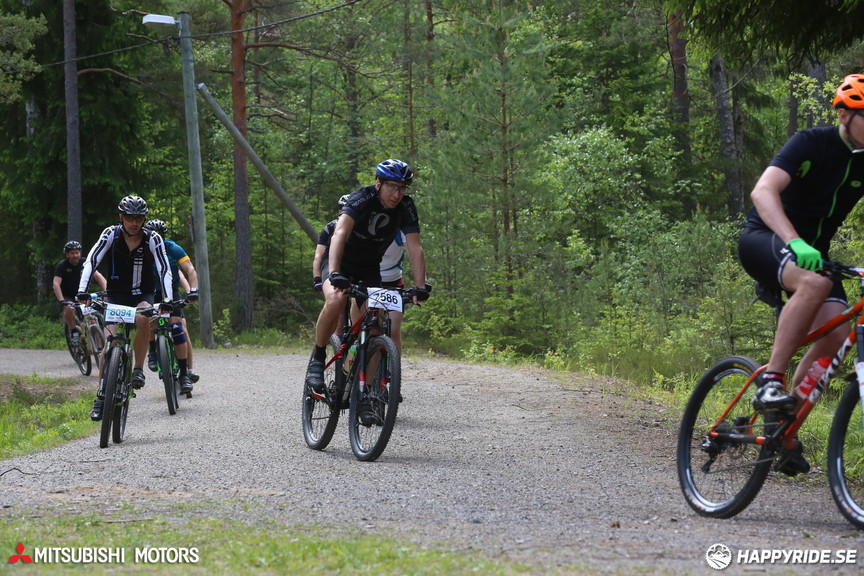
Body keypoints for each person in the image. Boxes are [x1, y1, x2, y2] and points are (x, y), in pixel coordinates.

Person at [738, 74, 864, 475]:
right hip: (767, 238)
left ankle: (784, 427)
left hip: (815, 255)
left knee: (836, 334)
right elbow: (763, 191)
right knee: (814, 281)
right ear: (845, 114)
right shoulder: (812, 142)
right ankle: (771, 381)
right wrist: (794, 241)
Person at [305, 159, 429, 397]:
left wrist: (420, 286)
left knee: (375, 324)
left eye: (402, 188)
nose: (397, 193)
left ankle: (367, 392)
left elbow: (415, 247)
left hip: (369, 267)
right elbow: (340, 233)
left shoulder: (406, 207)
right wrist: (335, 272)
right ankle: (318, 357)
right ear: (378, 183)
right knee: (336, 301)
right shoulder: (361, 198)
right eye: (392, 186)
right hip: (338, 260)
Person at [77, 195, 175, 421]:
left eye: (139, 218)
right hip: (116, 294)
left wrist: (167, 299)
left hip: (142, 293)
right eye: (130, 217)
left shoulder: (153, 238)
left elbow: (164, 269)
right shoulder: (110, 234)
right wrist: (83, 291)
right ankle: (102, 395)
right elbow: (92, 260)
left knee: (144, 319)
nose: (134, 222)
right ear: (121, 217)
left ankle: (138, 368)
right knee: (110, 341)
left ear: (143, 219)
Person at [143, 219, 200, 394]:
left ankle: (184, 373)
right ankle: (153, 351)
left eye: (159, 235)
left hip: (170, 293)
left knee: (178, 328)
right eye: (152, 236)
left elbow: (189, 269)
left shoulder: (172, 247)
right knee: (149, 319)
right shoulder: (142, 249)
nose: (156, 239)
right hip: (150, 292)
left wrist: (193, 291)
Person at [53, 241, 106, 347]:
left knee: (93, 319)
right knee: (69, 309)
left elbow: (98, 276)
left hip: (83, 294)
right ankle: (73, 331)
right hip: (68, 296)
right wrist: (61, 300)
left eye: (77, 252)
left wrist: (106, 292)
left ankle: (99, 349)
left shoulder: (85, 262)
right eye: (72, 253)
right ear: (67, 254)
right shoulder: (62, 266)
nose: (75, 255)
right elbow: (56, 283)